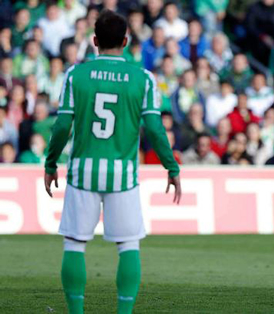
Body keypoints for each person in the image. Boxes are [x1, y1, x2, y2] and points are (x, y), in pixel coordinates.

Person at [43, 10, 181, 314]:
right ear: (125, 40)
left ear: (94, 41)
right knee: (128, 245)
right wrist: (171, 167)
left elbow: (62, 127)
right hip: (123, 176)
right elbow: (156, 130)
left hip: (82, 173)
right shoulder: (143, 78)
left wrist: (50, 162)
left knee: (74, 244)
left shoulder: (75, 75)